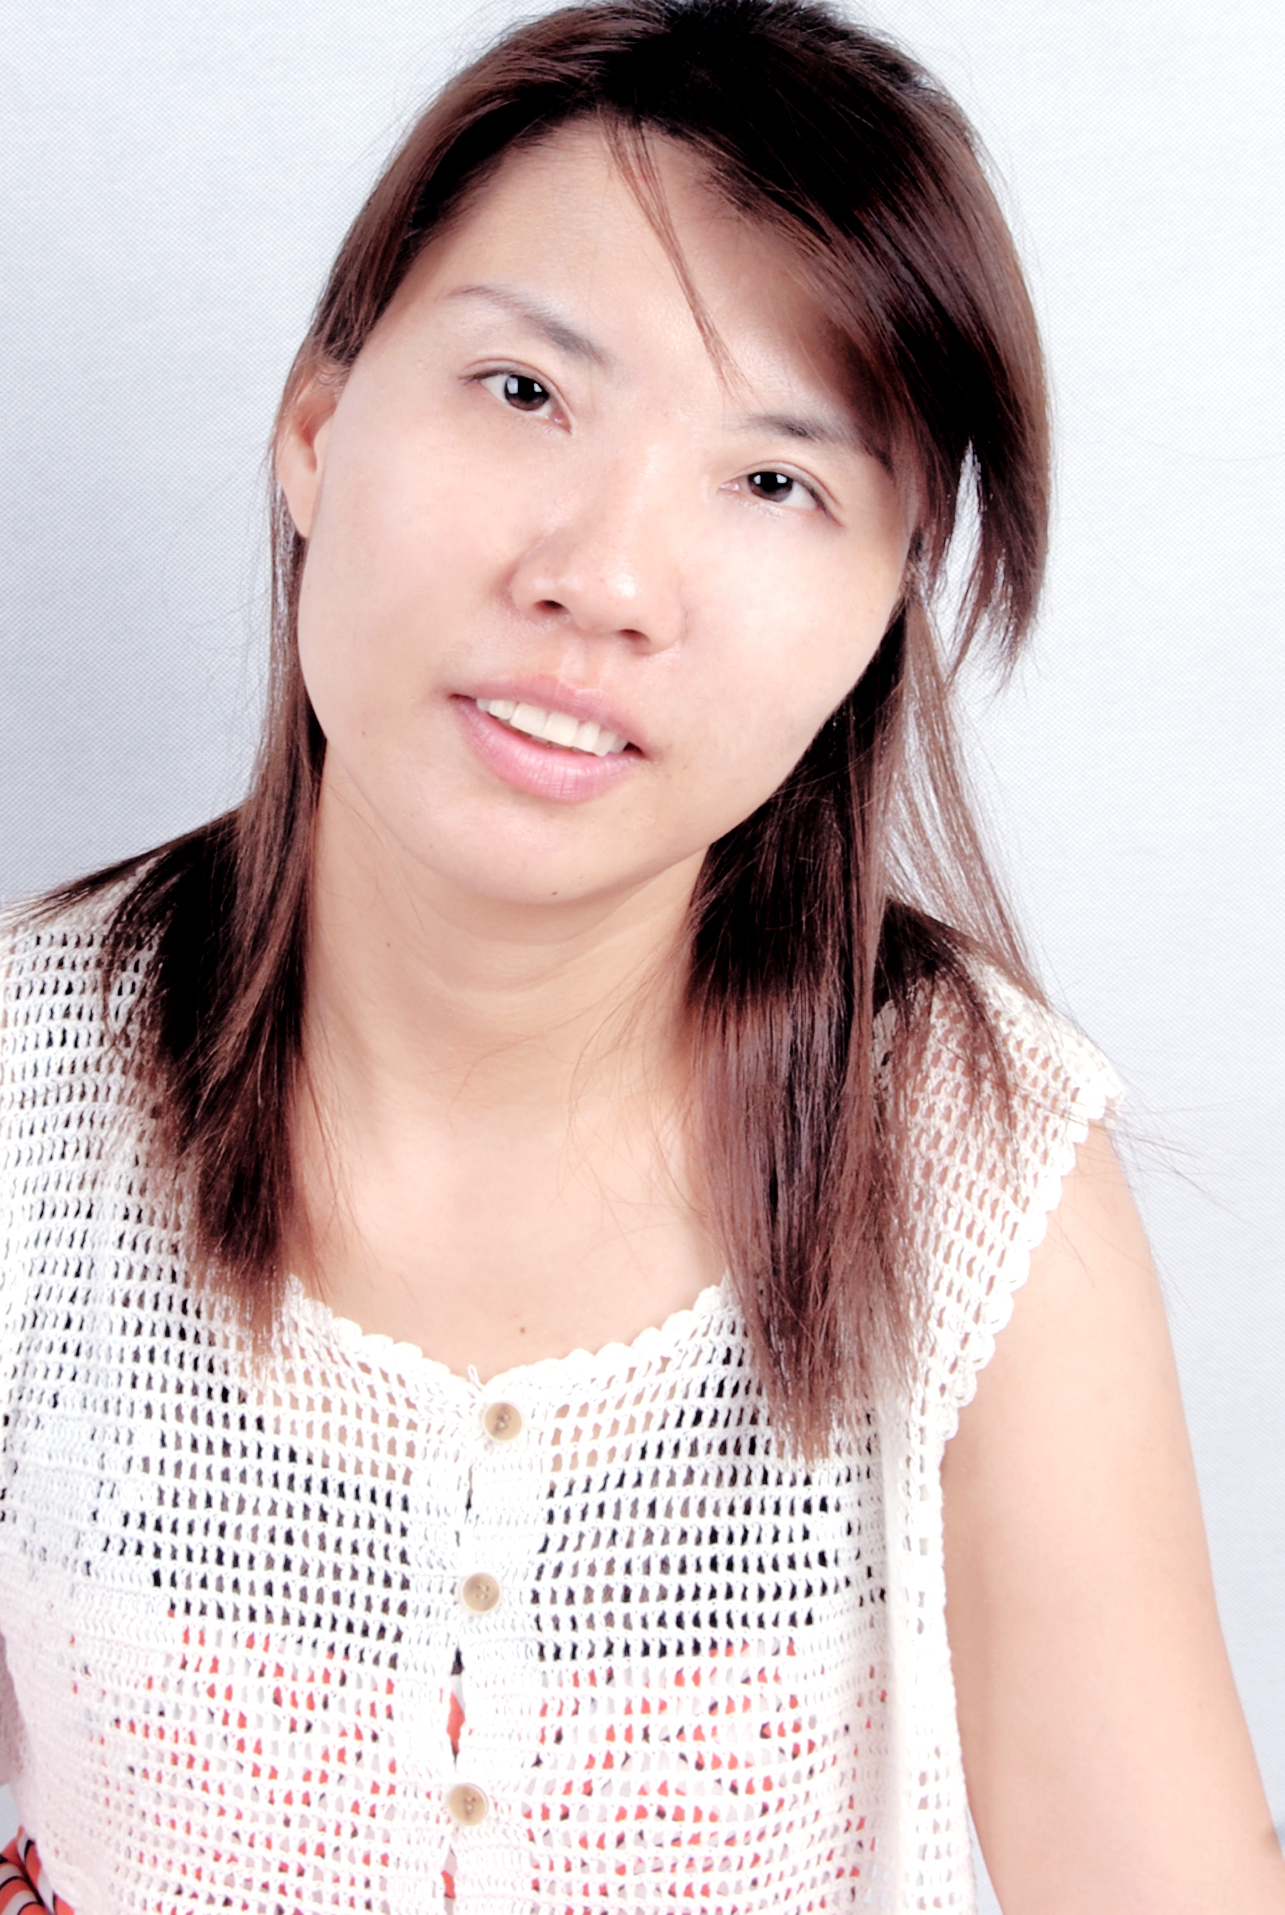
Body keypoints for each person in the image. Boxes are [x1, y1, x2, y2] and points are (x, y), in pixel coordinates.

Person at [0, 1, 1281, 1909]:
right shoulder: (29, 1104)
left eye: (775, 482)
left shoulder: (967, 1163)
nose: (599, 579)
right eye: (525, 389)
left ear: (883, 607)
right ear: (317, 428)